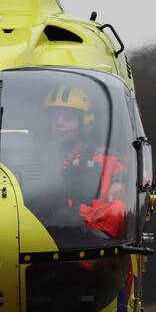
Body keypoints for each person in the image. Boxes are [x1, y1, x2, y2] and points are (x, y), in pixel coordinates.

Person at [44, 84, 128, 239]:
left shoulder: (106, 160)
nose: (59, 123)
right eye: (54, 116)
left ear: (85, 121)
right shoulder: (38, 159)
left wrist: (119, 181)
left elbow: (121, 205)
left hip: (85, 249)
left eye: (67, 116)